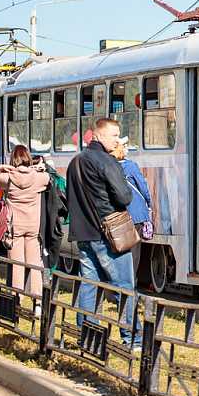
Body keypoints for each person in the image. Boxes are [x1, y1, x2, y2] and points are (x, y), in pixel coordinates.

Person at [66, 118, 140, 349]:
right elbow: (124, 196)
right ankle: (132, 339)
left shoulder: (75, 162)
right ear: (98, 135)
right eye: (114, 135)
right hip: (109, 234)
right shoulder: (106, 162)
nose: (117, 140)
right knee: (124, 287)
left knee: (89, 286)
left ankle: (89, 338)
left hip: (83, 234)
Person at [0, 145, 49, 313]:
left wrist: (0, 167)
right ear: (28, 158)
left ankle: (17, 299)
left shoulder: (8, 178)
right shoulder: (39, 178)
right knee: (35, 264)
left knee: (17, 264)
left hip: (14, 228)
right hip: (33, 227)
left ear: (13, 160)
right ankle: (37, 302)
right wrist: (38, 167)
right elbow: (50, 177)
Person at [111, 137, 152, 276]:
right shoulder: (130, 166)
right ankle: (130, 286)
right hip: (135, 215)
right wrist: (149, 204)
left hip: (117, 217)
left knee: (120, 251)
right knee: (134, 252)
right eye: (125, 145)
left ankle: (120, 285)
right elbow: (143, 187)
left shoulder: (108, 167)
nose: (127, 147)